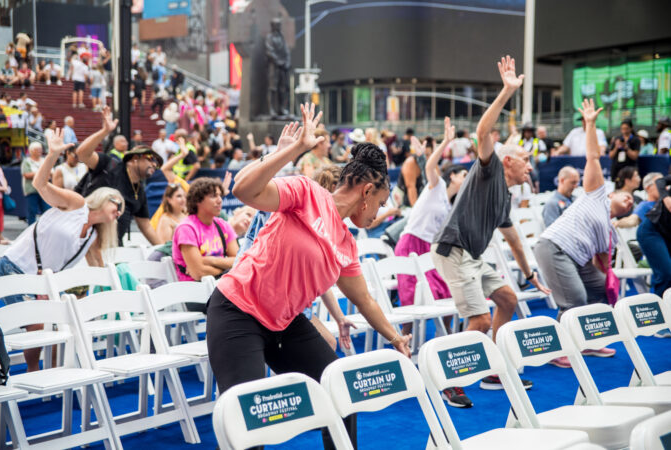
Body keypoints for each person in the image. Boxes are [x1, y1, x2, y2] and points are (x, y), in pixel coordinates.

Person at [206, 104, 412, 448]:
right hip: (236, 312)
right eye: (380, 202)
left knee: (339, 392)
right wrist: (290, 150)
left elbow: (365, 301)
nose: (378, 213)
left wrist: (395, 338)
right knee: (248, 421)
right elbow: (243, 191)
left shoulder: (346, 244)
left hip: (283, 324)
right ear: (366, 192)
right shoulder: (306, 192)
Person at [430, 56, 550, 402]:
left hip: (473, 256)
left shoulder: (505, 197)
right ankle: (448, 379)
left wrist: (529, 275)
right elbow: (482, 133)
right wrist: (506, 92)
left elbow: (513, 240)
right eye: (526, 159)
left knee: (508, 299)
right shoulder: (491, 169)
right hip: (453, 250)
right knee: (480, 320)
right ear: (508, 160)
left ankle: (494, 371)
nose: (531, 165)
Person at [0, 128, 124, 372]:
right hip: (14, 266)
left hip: (42, 281)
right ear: (104, 198)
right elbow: (39, 184)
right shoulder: (77, 205)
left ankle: (51, 371)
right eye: (117, 204)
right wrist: (53, 154)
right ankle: (34, 373)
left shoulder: (93, 235)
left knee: (55, 320)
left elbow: (97, 267)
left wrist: (107, 291)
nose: (118, 211)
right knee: (36, 324)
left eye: (121, 210)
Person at [534, 98, 634, 368]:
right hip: (553, 247)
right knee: (574, 299)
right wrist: (590, 124)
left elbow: (601, 264)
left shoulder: (609, 233)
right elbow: (593, 157)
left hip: (575, 258)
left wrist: (609, 287)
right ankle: (555, 350)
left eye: (631, 205)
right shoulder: (597, 195)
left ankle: (586, 341)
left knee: (599, 288)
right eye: (627, 198)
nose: (629, 202)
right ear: (613, 193)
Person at [395, 119, 463, 337]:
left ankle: (446, 334)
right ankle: (404, 339)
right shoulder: (438, 185)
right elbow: (429, 166)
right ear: (452, 176)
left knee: (444, 289)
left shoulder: (453, 204)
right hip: (411, 242)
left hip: (430, 248)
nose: (466, 179)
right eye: (464, 175)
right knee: (410, 295)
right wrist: (445, 142)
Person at [75, 107, 163, 246]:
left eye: (156, 162)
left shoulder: (139, 192)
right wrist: (104, 132)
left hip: (113, 247)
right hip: (82, 241)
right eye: (150, 158)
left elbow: (145, 226)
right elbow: (82, 154)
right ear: (134, 159)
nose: (154, 164)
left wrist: (165, 251)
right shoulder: (109, 165)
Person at [172, 178, 238, 282]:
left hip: (222, 285)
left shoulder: (223, 225)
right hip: (194, 291)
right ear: (197, 200)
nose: (220, 200)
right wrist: (227, 268)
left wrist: (209, 260)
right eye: (213, 196)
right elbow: (198, 273)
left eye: (220, 195)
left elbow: (238, 261)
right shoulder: (186, 228)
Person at [638, 172, 671, 296]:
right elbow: (660, 181)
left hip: (668, 233)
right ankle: (661, 311)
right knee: (666, 274)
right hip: (652, 231)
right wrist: (666, 197)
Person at [21, 142, 51, 225]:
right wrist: (41, 173)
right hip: (31, 190)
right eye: (38, 149)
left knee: (47, 210)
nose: (40, 151)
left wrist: (36, 173)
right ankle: (31, 230)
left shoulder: (44, 160)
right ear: (32, 151)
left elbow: (50, 172)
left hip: (44, 190)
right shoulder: (27, 161)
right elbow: (26, 174)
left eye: (41, 149)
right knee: (32, 211)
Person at [0, 161, 8, 242]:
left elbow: (3, 177)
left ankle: (0, 236)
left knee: (0, 217)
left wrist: (5, 186)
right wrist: (0, 188)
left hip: (0, 196)